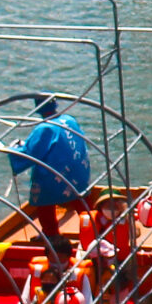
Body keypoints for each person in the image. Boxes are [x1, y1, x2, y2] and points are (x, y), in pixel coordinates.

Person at [8, 98, 91, 255]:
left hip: (59, 176)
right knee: (80, 198)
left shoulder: (45, 128)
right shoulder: (69, 120)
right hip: (79, 171)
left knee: (43, 194)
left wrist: (10, 150)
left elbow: (30, 153)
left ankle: (51, 233)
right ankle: (94, 226)